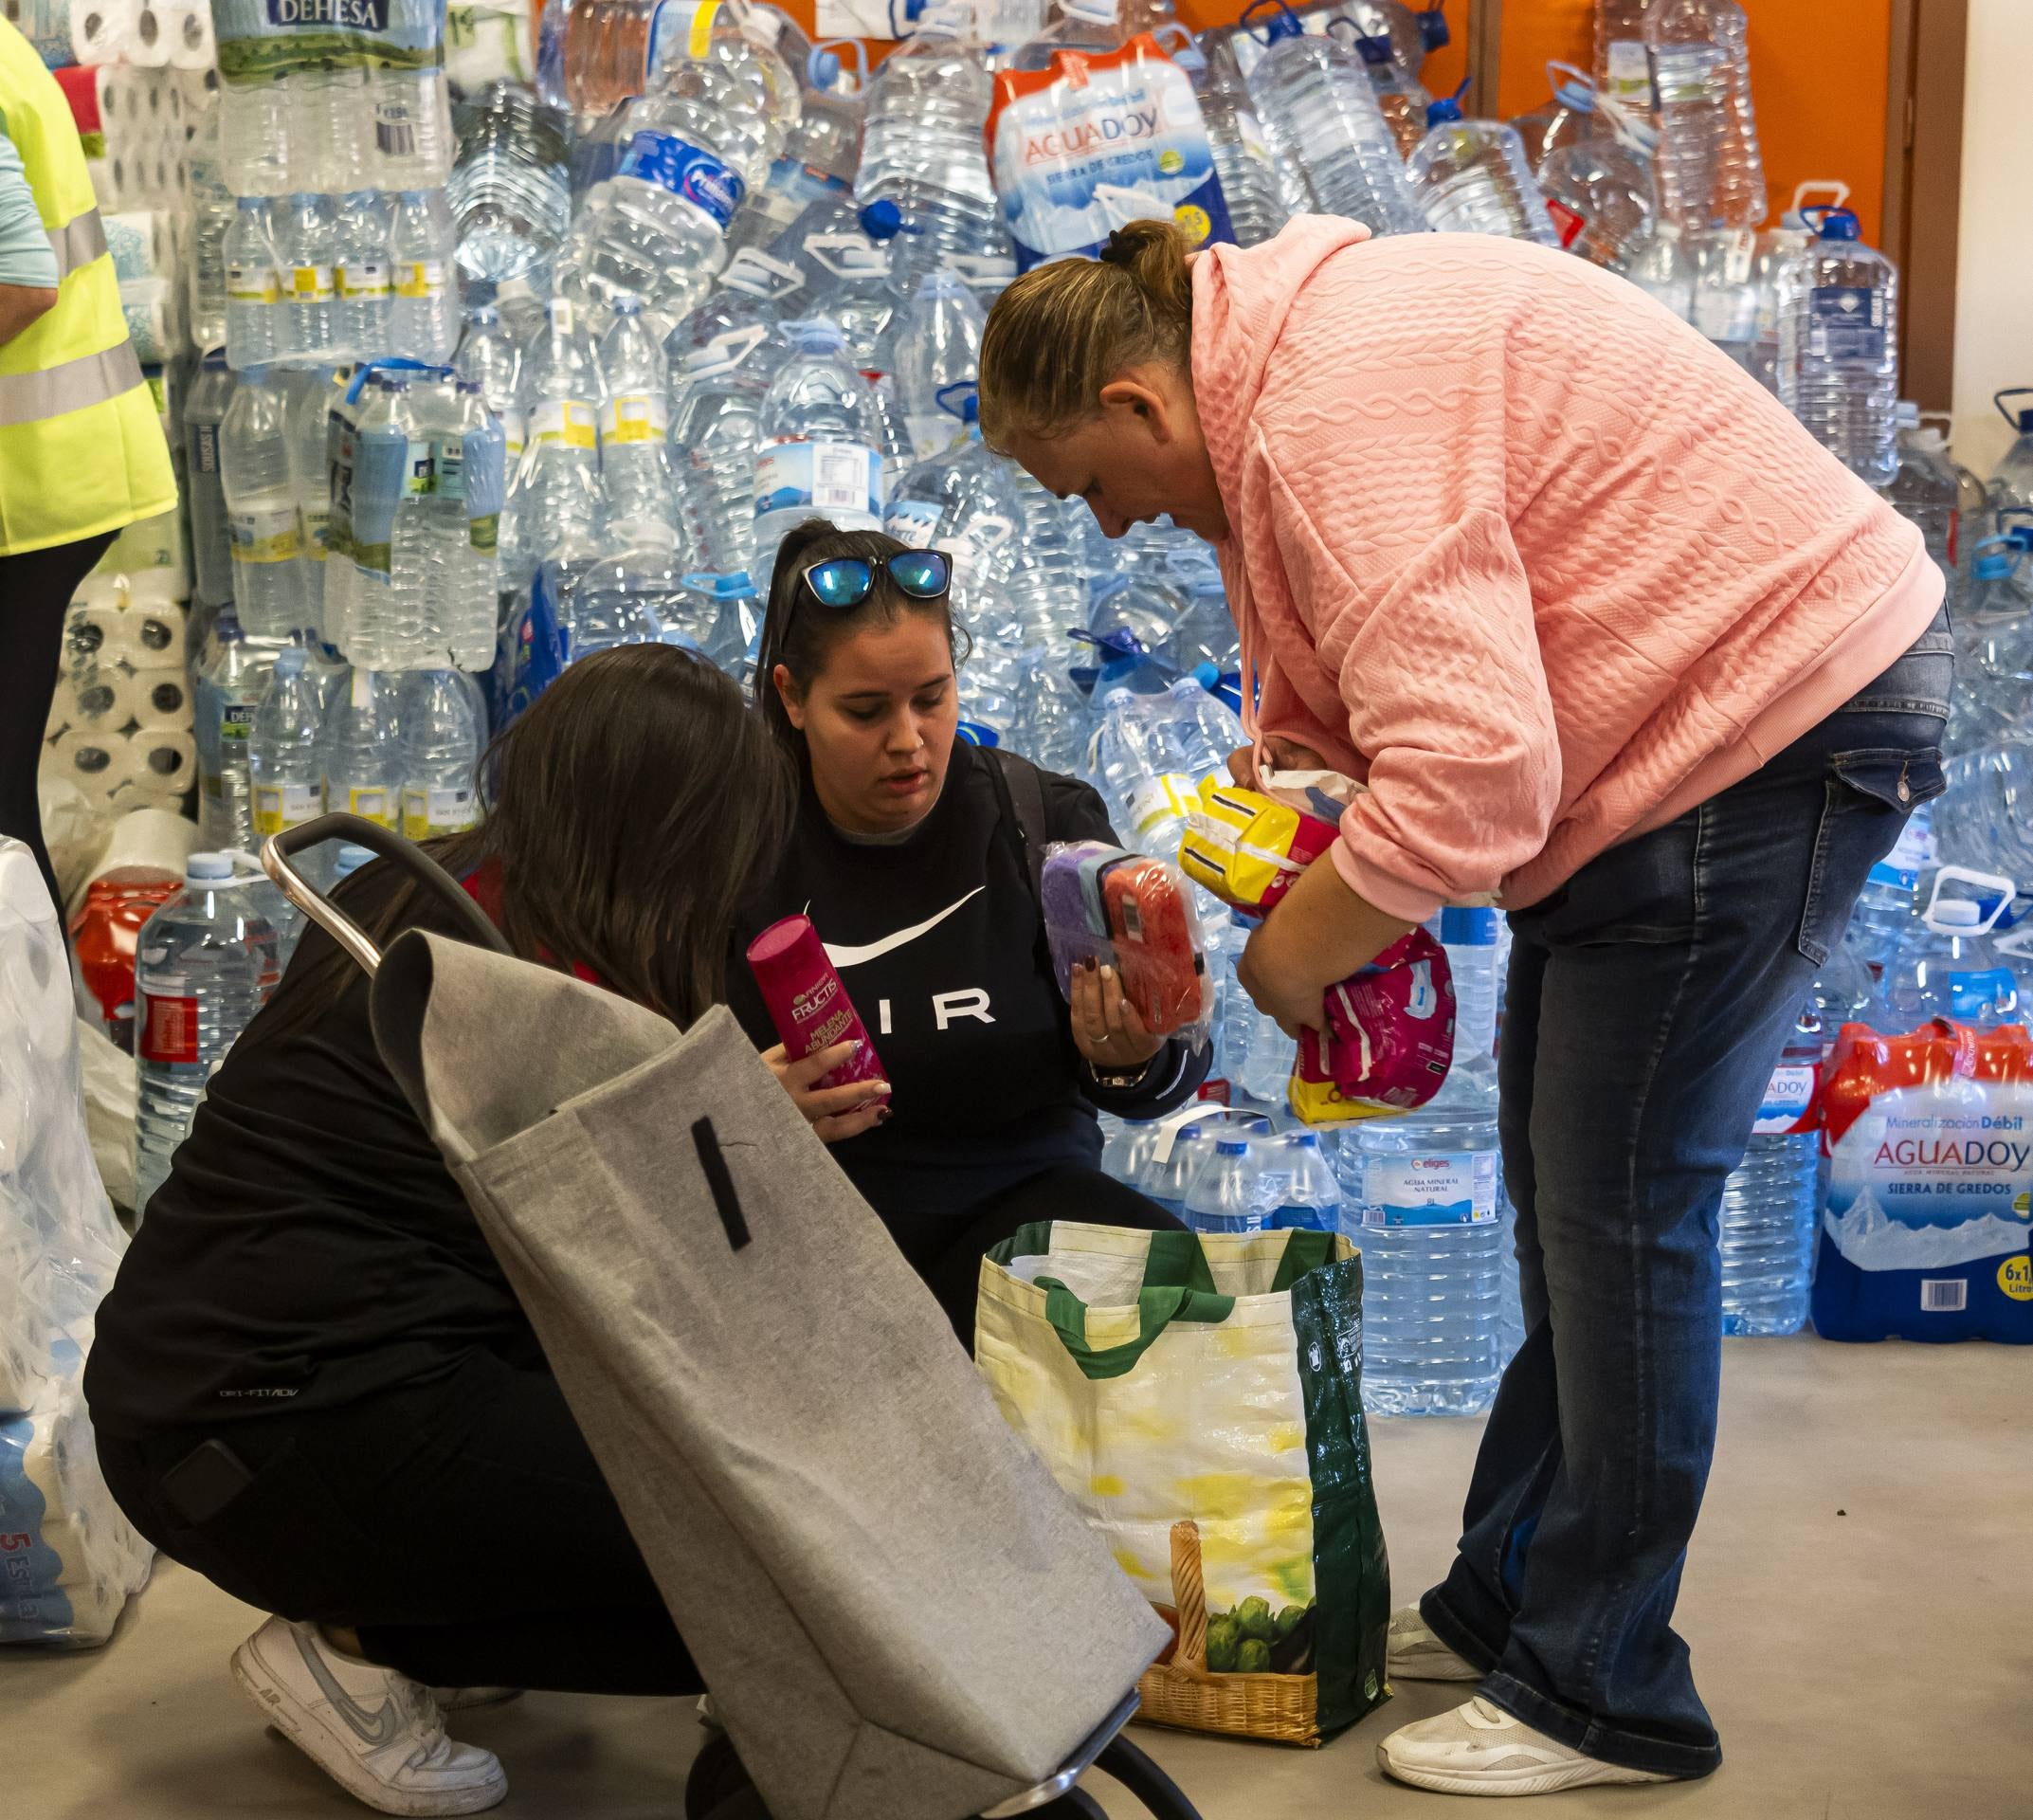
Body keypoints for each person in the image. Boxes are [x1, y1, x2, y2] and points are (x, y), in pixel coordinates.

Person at [977, 217, 1948, 1798]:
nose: (1108, 523)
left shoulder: (1324, 402)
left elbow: (1481, 772)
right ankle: (1516, 1599)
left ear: (1147, 408)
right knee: (1566, 1200)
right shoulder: (1288, 373)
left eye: (1089, 483)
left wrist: (1298, 957)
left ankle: (1605, 1689)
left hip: (1764, 725)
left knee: (1627, 1216)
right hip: (1678, 746)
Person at [86, 648, 797, 1818]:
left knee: (689, 1515)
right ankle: (361, 1646)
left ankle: (418, 1603)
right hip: (274, 1426)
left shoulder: (441, 895)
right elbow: (635, 1272)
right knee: (743, 1578)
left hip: (196, 1397)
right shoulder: (527, 986)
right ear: (671, 835)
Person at [724, 519, 1209, 1344]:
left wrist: (1131, 1060)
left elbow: (1171, 1071)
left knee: (1177, 1290)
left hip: (1031, 1233)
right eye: (865, 711)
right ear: (790, 696)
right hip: (818, 1251)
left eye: (932, 697)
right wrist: (739, 1108)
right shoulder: (731, 850)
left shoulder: (1040, 825)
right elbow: (656, 1126)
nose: (908, 742)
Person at [0, 17, 177, 914]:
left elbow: (21, 281)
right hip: (44, 474)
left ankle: (23, 1045)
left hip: (29, 487)